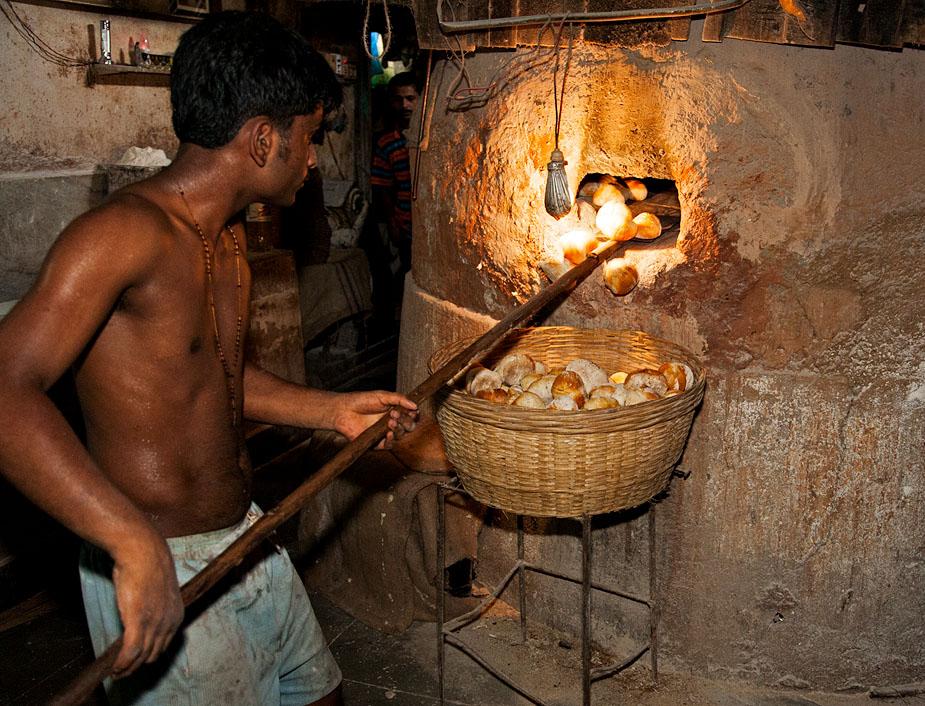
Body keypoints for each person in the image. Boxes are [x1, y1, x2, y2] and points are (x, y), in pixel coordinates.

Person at [0, 11, 417, 706]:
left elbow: (210, 380)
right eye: (308, 139)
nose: (312, 161)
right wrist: (130, 543)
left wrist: (330, 410)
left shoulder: (223, 241)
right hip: (165, 558)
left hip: (244, 538)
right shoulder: (122, 234)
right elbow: (7, 388)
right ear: (262, 140)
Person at [370, 71, 419, 278]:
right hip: (405, 225)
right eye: (399, 100)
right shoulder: (386, 142)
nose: (405, 105)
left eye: (410, 99)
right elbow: (382, 186)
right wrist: (392, 221)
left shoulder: (431, 137)